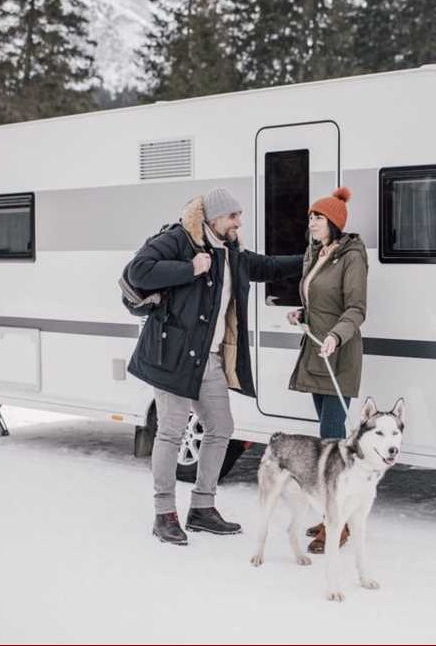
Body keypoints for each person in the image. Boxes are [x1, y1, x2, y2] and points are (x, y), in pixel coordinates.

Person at [127, 188, 303, 546]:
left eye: (239, 215)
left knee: (221, 427)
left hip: (208, 360)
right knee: (171, 433)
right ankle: (164, 514)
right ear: (213, 219)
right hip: (172, 354)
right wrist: (190, 268)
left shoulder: (230, 252)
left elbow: (267, 267)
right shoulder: (179, 240)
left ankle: (202, 508)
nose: (239, 222)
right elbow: (138, 271)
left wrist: (312, 258)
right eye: (233, 216)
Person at [286, 186, 369, 553]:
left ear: (334, 222)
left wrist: (336, 335)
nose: (311, 223)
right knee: (328, 440)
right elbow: (319, 299)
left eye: (317, 217)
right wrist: (301, 313)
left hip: (339, 354)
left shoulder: (351, 257)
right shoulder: (316, 253)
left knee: (334, 445)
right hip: (316, 352)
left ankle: (339, 525)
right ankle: (330, 516)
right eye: (310, 217)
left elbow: (356, 309)